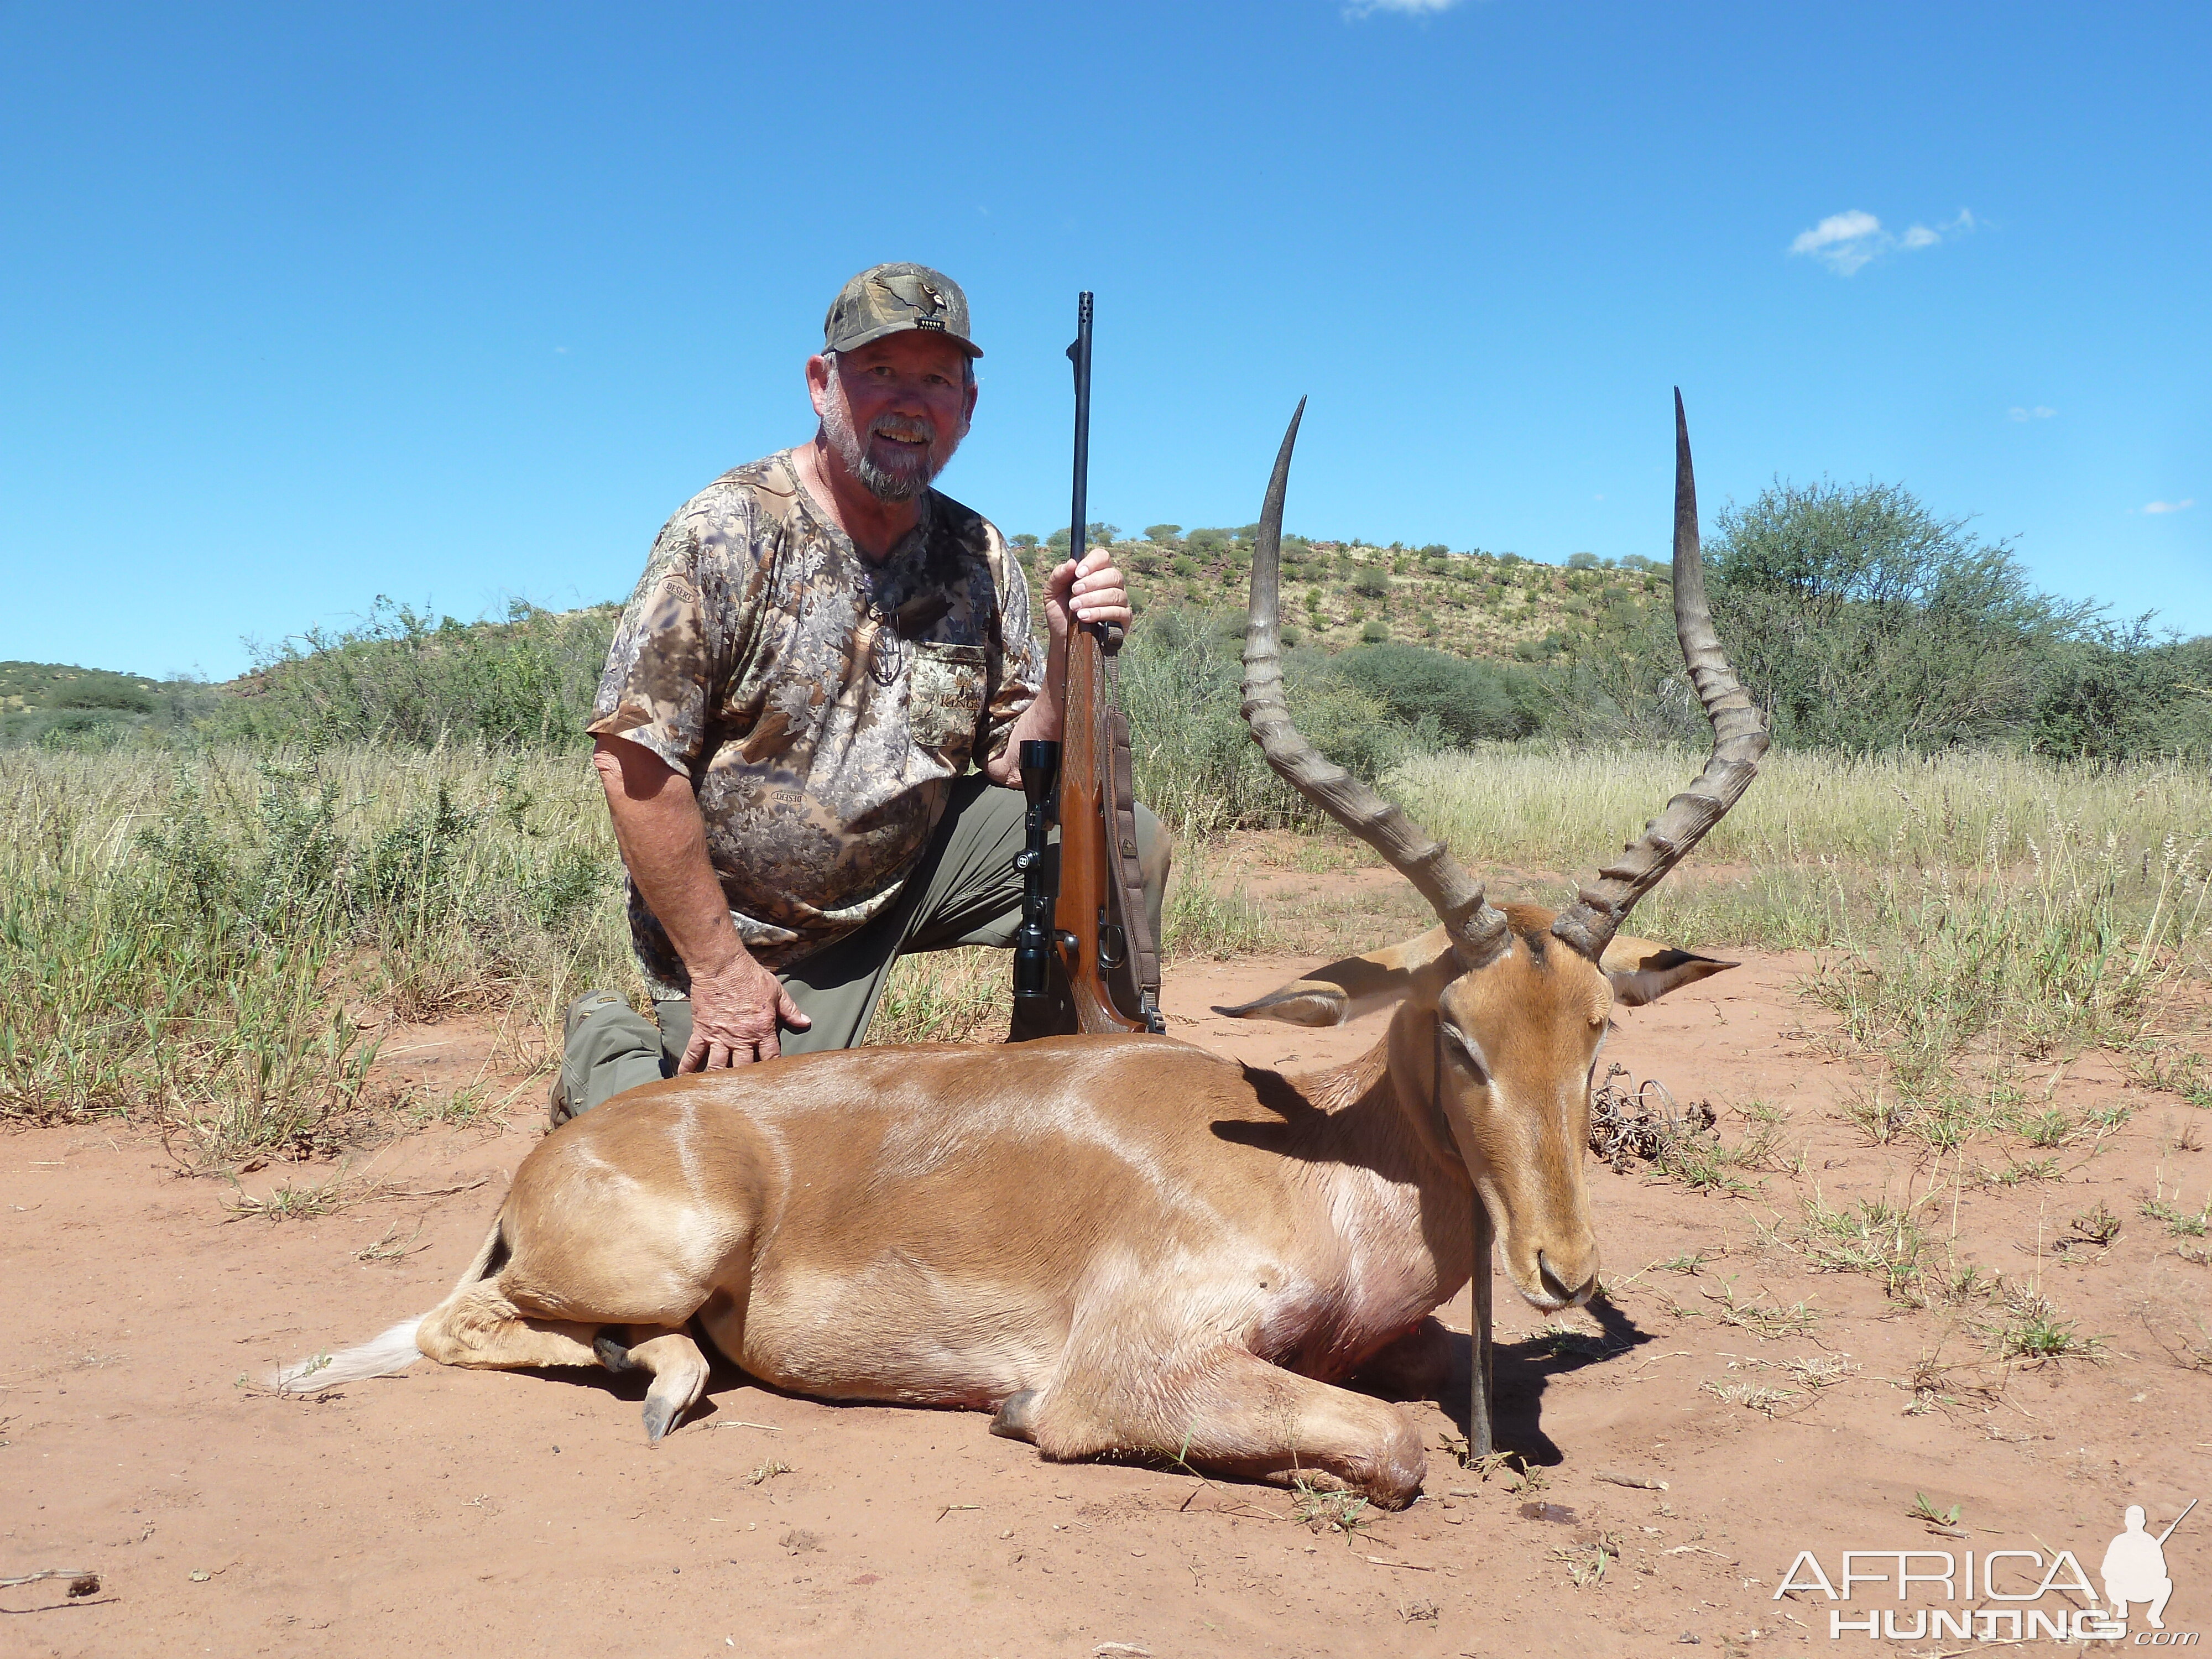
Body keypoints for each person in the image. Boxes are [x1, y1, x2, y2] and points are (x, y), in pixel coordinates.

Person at [550, 263, 1169, 1121]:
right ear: (821, 383)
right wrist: (723, 969)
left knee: (1119, 831)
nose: (910, 403)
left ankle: (1075, 1091)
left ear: (968, 407)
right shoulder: (728, 530)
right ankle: (608, 1049)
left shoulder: (979, 555)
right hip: (764, 936)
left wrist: (1067, 655)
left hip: (913, 873)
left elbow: (1014, 760)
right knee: (737, 1166)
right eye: (881, 372)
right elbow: (633, 763)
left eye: (936, 380)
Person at [2100, 1505, 2173, 1629]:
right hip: (2122, 1588)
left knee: (2166, 1583)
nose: (2135, 1524)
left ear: (2144, 1522)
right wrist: (2120, 1573)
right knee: (2111, 1583)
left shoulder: (2151, 1542)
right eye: (2132, 1521)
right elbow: (2106, 1568)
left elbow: (2162, 1571)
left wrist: (2147, 1569)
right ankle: (2122, 1607)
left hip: (2143, 1588)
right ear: (2126, 1522)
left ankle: (2154, 1615)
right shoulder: (2119, 1541)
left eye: (2139, 1521)